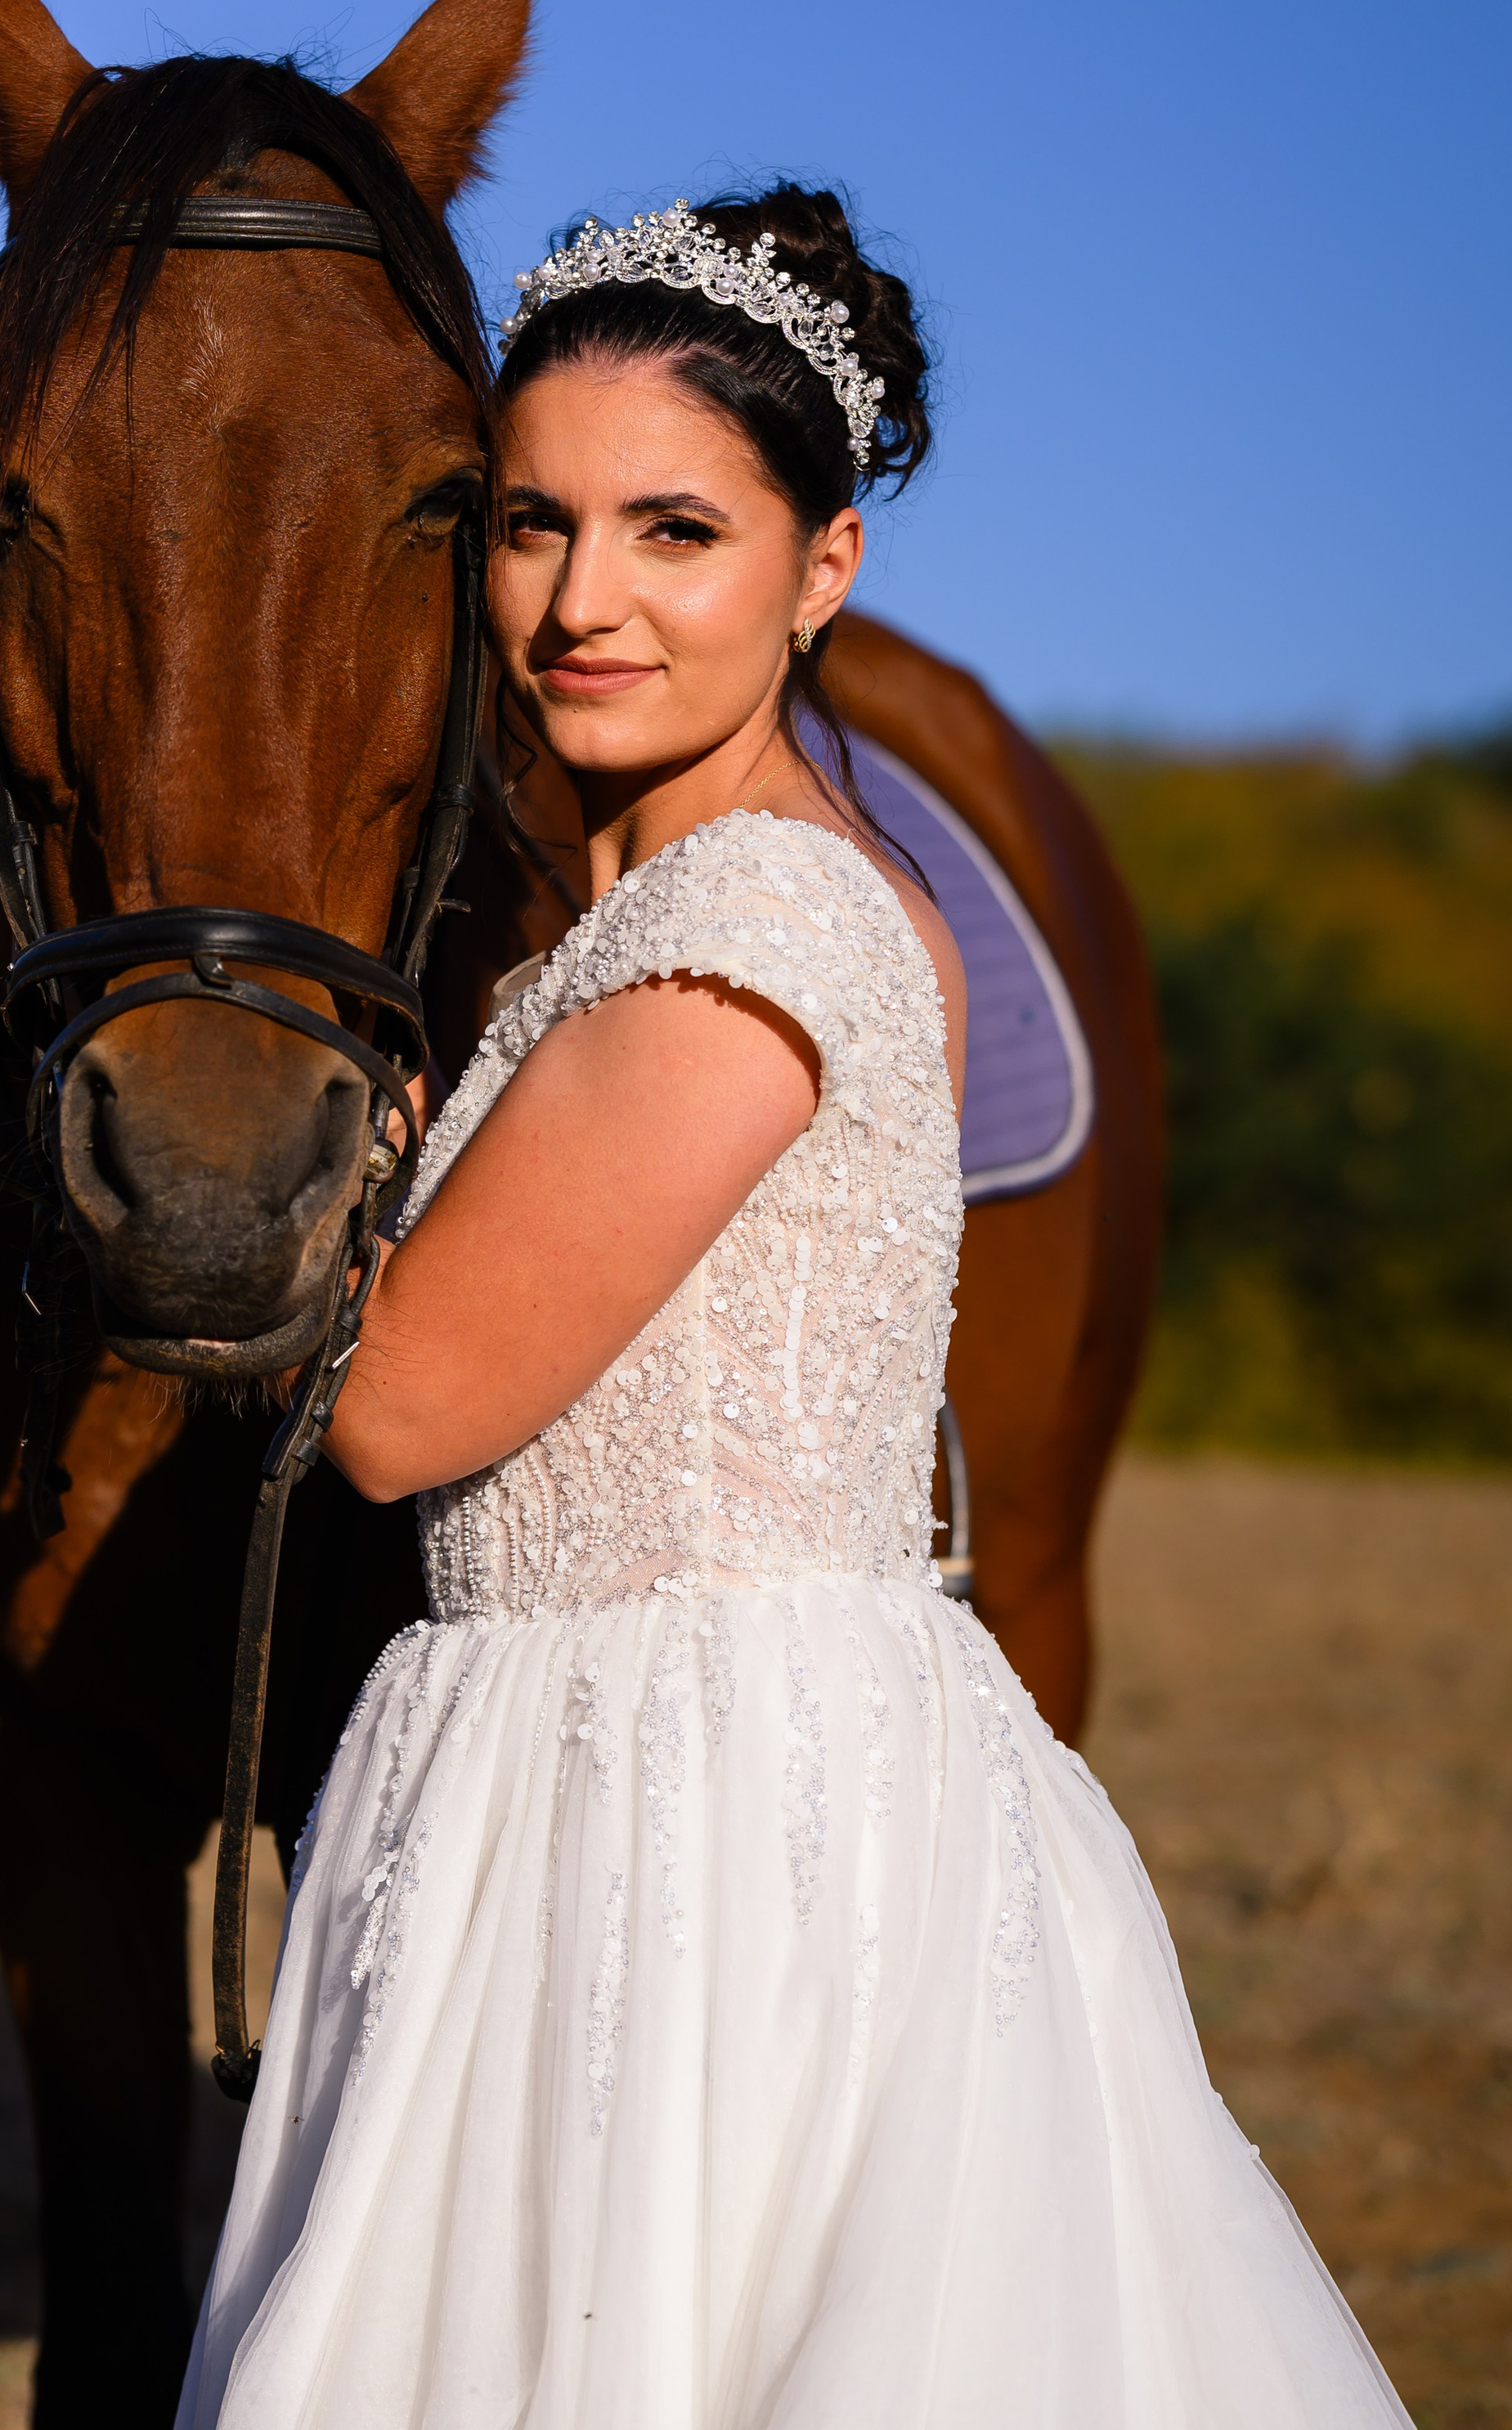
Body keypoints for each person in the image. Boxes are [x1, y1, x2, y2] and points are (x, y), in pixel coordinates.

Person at [175, 187, 1409, 2428]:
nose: (585, 601)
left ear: (822, 568)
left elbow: (394, 1413)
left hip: (684, 1796)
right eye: (535, 525)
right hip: (640, 1737)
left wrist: (295, 1179)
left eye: (678, 531)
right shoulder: (663, 920)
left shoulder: (742, 928)